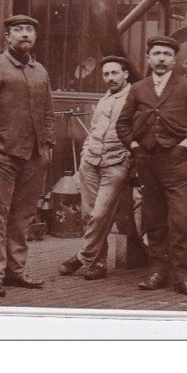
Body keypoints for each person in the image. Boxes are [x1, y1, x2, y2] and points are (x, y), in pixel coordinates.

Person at [116, 36, 187, 296]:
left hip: (177, 162)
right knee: (153, 220)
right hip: (147, 161)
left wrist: (184, 146)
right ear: (148, 58)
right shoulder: (138, 89)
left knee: (181, 221)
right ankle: (157, 272)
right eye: (157, 53)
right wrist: (135, 147)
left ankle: (184, 278)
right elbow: (122, 124)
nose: (161, 58)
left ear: (174, 60)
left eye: (167, 54)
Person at [0, 15, 55, 297]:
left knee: (23, 216)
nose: (25, 34)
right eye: (18, 30)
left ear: (35, 36)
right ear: (7, 36)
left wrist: (48, 144)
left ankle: (15, 271)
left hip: (35, 154)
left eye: (29, 30)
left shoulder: (40, 71)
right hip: (3, 152)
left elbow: (48, 111)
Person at [58, 56, 133, 281]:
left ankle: (81, 257)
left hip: (116, 163)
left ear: (125, 74)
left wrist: (129, 157)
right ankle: (98, 263)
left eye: (115, 73)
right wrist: (85, 154)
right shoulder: (103, 100)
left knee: (101, 215)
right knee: (88, 215)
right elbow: (94, 128)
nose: (110, 78)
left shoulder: (134, 98)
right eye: (106, 74)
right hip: (91, 162)